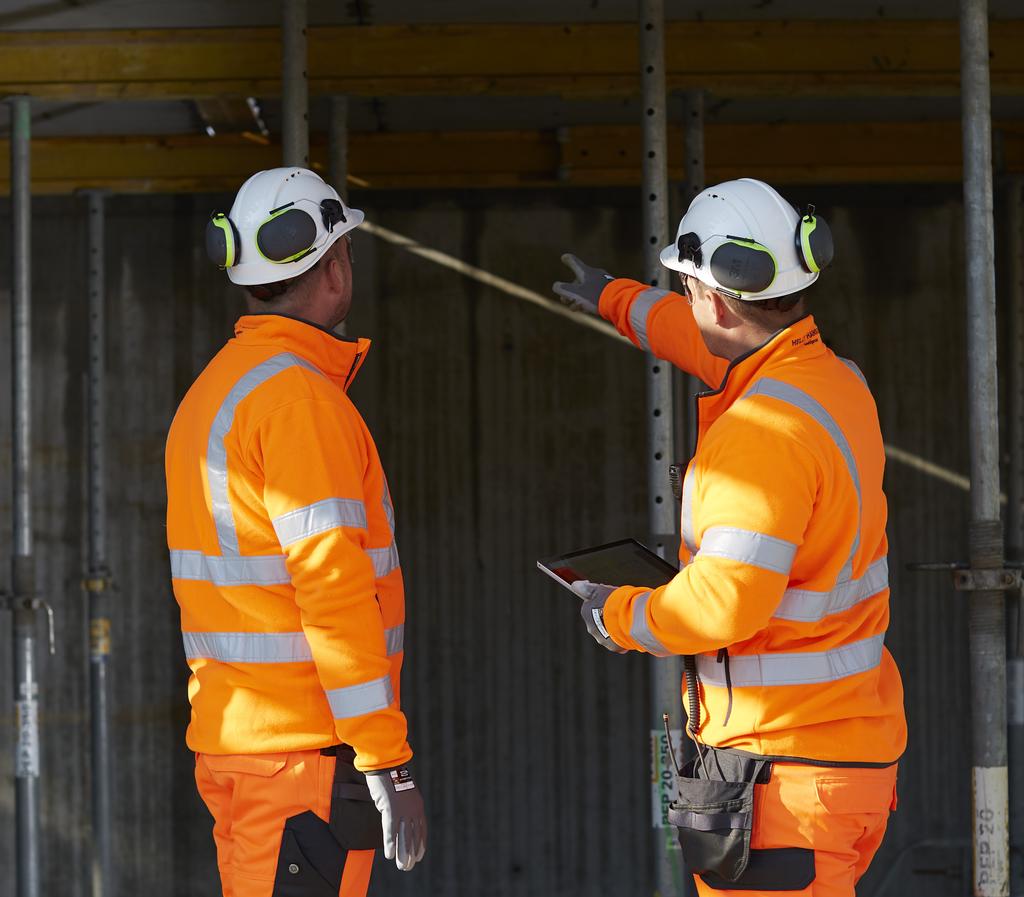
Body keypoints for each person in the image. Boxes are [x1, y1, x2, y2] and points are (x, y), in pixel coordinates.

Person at [552, 178, 905, 897]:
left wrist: (617, 614)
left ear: (711, 297)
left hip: (781, 785)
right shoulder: (834, 381)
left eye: (686, 290)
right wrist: (615, 299)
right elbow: (706, 339)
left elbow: (722, 607)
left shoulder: (759, 435)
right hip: (839, 765)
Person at [165, 167, 426, 897]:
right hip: (300, 761)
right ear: (336, 267)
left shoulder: (219, 388)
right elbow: (334, 590)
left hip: (246, 749)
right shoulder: (297, 402)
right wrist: (386, 758)